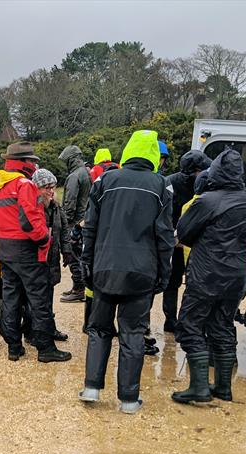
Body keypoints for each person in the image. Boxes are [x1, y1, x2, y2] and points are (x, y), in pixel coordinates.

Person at [78, 130, 174, 414]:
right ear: (153, 155)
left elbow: (90, 227)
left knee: (99, 329)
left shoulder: (105, 180)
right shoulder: (161, 186)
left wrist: (87, 264)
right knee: (133, 333)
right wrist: (163, 274)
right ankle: (129, 400)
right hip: (142, 272)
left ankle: (92, 388)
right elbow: (165, 236)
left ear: (128, 151)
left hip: (104, 268)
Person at [172, 149, 246, 405]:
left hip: (208, 273)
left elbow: (184, 233)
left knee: (189, 324)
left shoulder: (207, 201)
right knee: (222, 325)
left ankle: (199, 387)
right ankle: (223, 387)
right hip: (237, 275)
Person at [0, 142, 71, 363]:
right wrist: (46, 239)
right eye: (32, 160)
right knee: (39, 301)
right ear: (24, 162)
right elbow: (30, 221)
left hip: (5, 251)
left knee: (11, 300)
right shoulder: (25, 185)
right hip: (27, 252)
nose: (34, 164)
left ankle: (14, 348)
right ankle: (45, 349)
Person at [162, 150, 212, 332]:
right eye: (203, 169)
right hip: (173, 241)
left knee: (194, 283)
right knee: (171, 281)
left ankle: (188, 321)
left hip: (194, 241)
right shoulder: (170, 183)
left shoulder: (207, 183)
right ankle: (170, 320)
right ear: (194, 171)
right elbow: (164, 212)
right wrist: (172, 236)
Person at [33, 168, 69, 342]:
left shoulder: (56, 206)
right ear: (37, 188)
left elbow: (64, 228)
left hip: (53, 258)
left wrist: (67, 250)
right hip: (37, 259)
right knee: (37, 297)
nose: (51, 191)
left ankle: (50, 328)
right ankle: (35, 331)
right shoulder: (33, 206)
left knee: (49, 294)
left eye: (52, 186)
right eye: (46, 187)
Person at [58, 144, 92, 302]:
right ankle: (78, 286)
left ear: (71, 160)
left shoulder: (73, 177)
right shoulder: (85, 172)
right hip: (84, 220)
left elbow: (69, 203)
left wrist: (63, 222)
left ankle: (78, 289)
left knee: (73, 257)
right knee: (80, 255)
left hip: (74, 222)